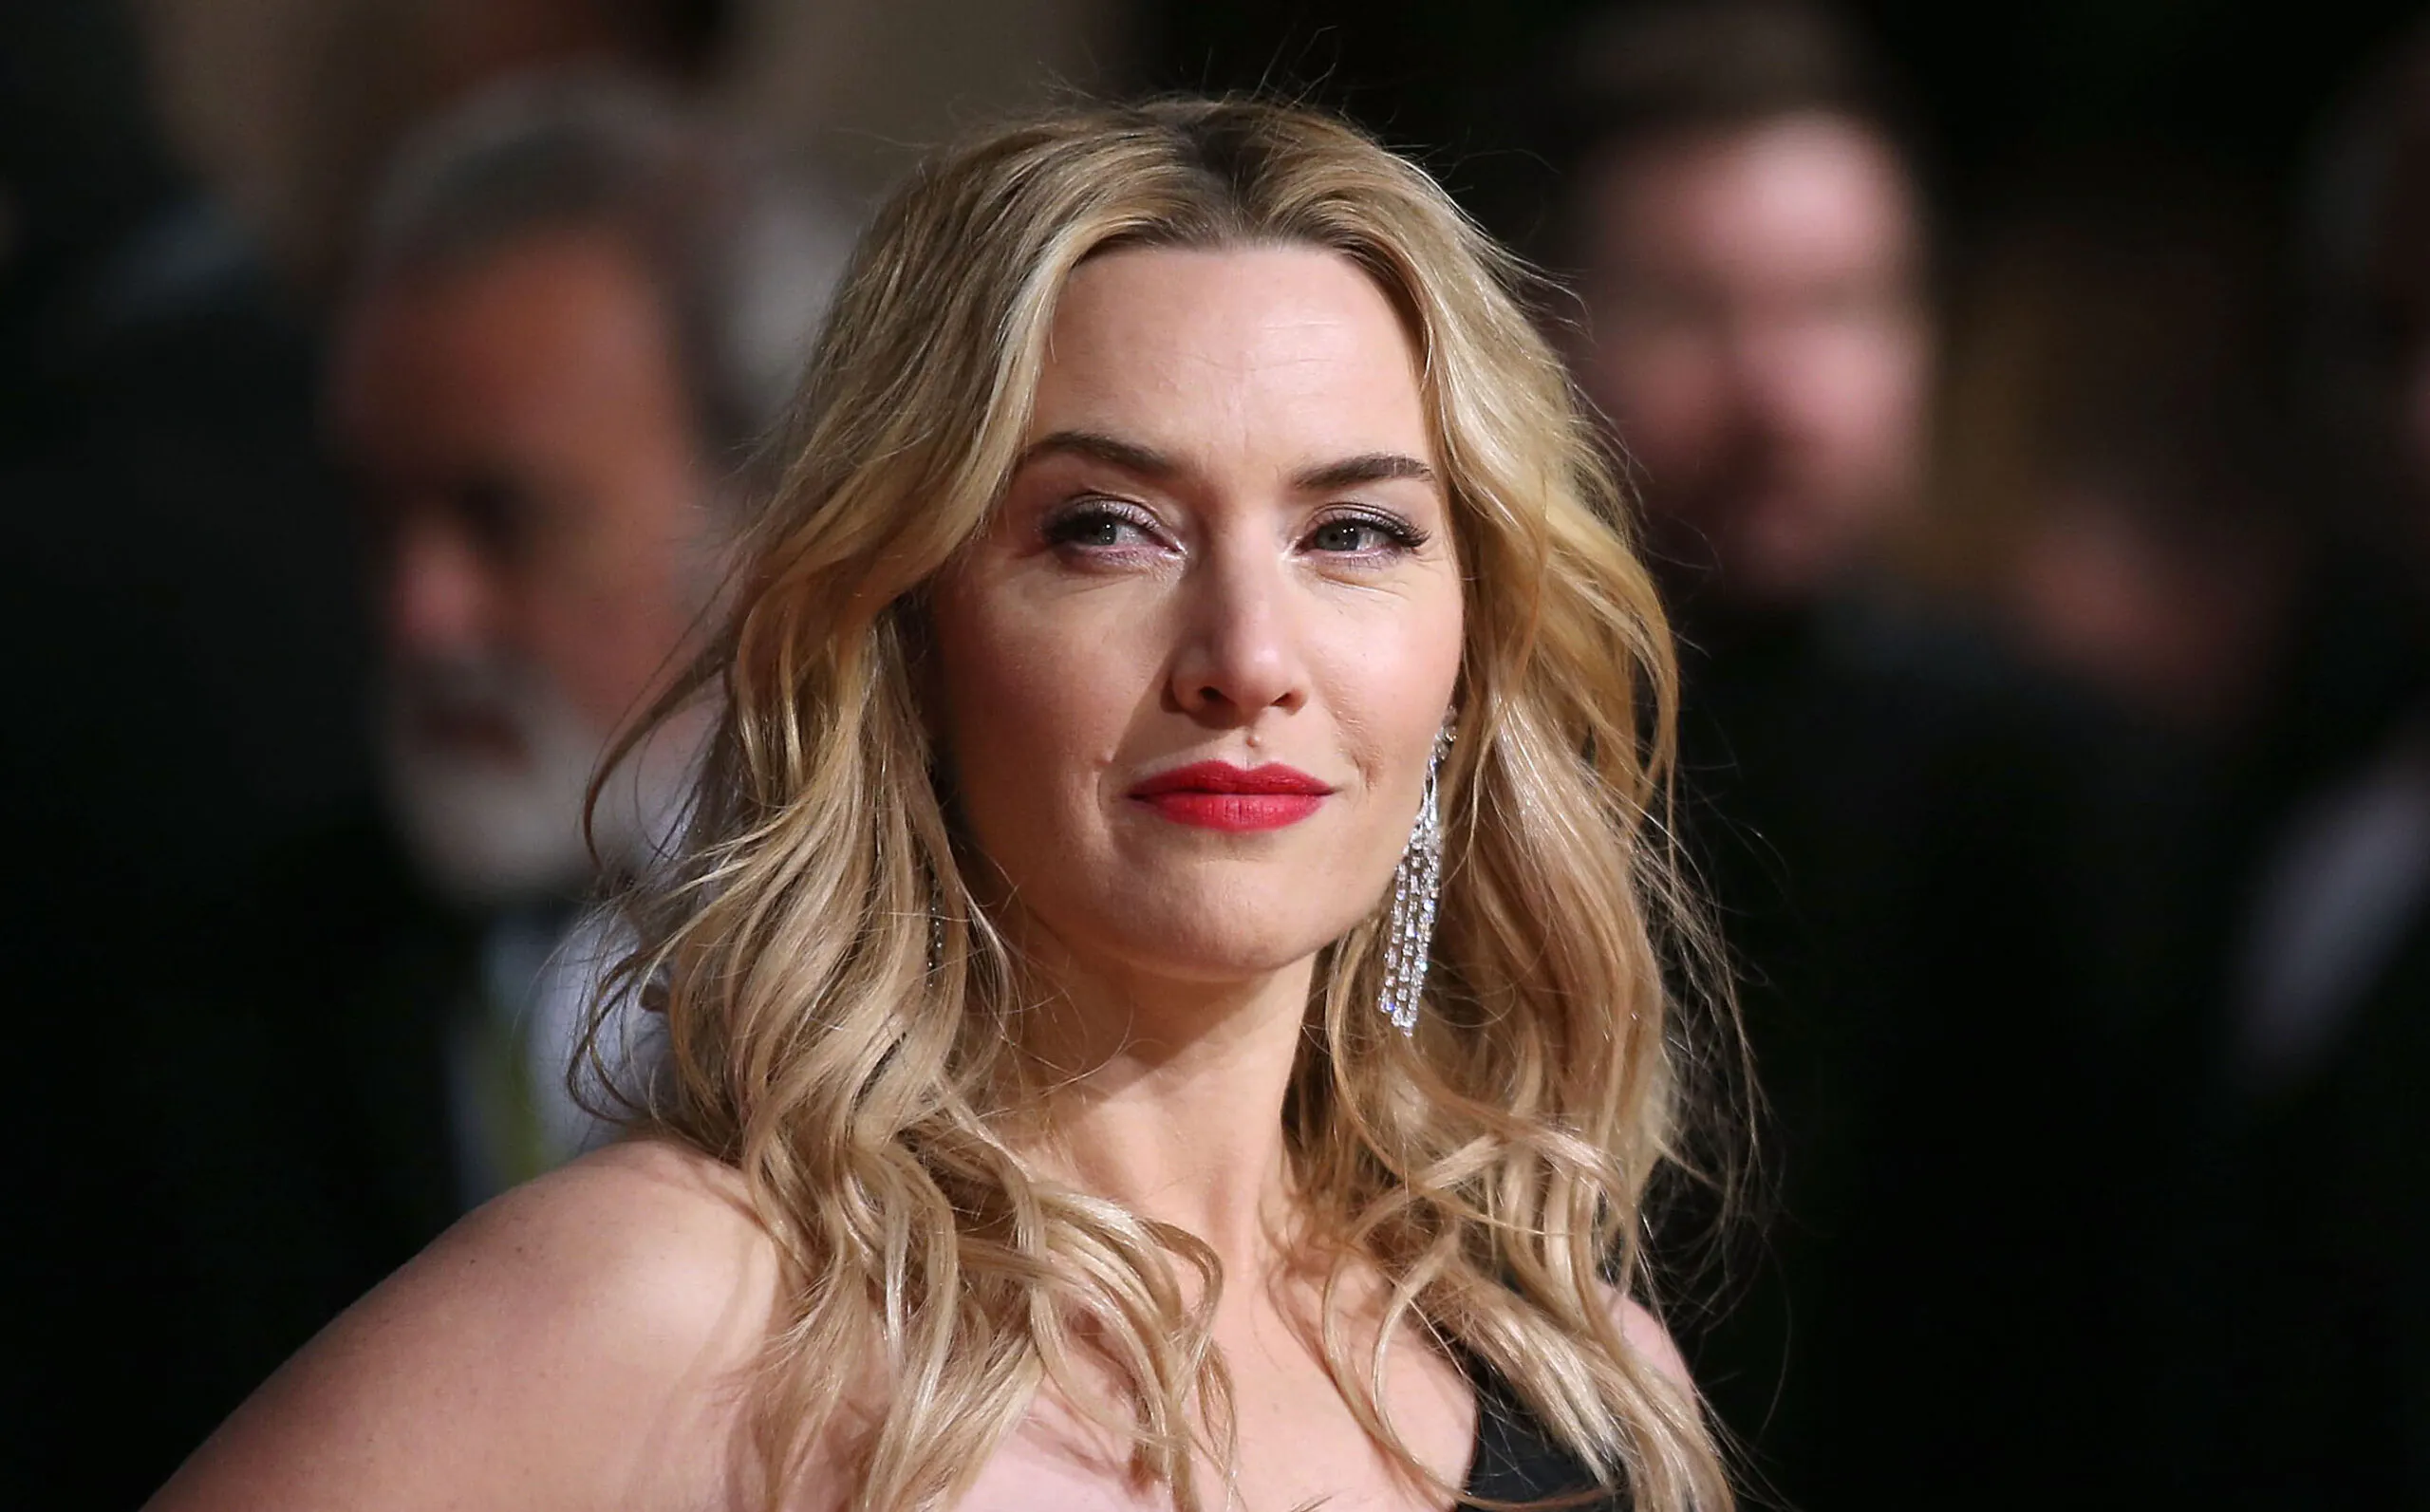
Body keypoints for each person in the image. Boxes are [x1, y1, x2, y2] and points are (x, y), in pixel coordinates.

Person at [149, 97, 1739, 1510]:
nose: (1249, 660)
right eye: (1107, 528)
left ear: (1469, 652)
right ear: (905, 631)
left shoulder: (1583, 1378)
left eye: (1356, 535)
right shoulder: (664, 1313)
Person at [127, 71, 850, 1466]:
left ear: (775, 515)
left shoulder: (981, 959)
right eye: (378, 519)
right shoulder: (225, 996)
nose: (421, 615)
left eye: (501, 515)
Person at [1523, 5, 2162, 1505]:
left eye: (1839, 306)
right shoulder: (1448, 775)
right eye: (1692, 309)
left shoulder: (2083, 799)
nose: (1779, 393)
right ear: (1545, 337)